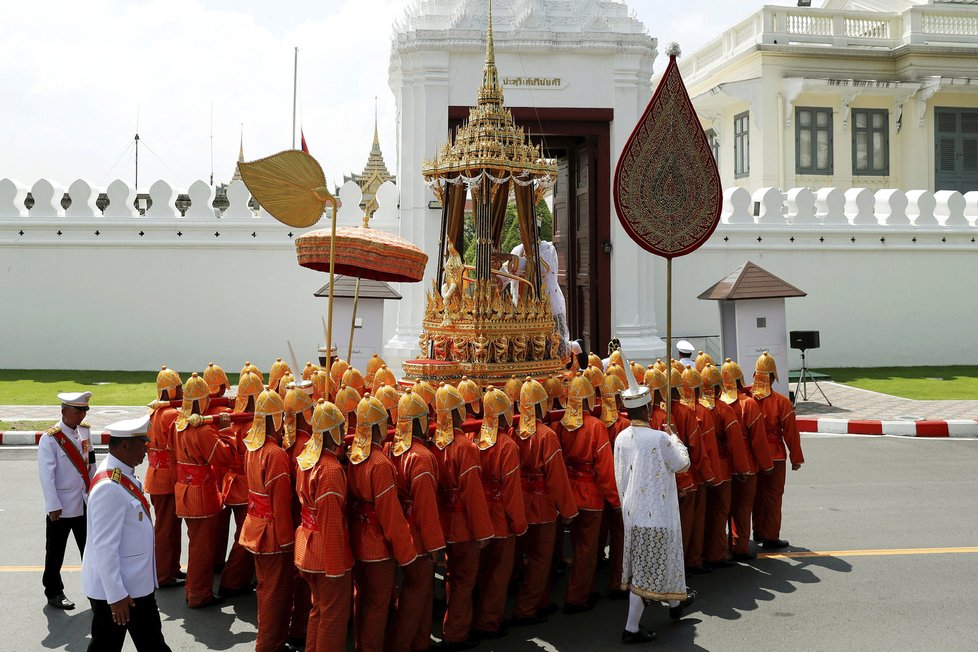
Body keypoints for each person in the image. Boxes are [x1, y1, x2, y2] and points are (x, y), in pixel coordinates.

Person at [613, 354, 695, 645]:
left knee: (664, 560)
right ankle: (631, 628)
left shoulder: (621, 437)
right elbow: (681, 463)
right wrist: (674, 438)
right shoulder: (659, 439)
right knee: (647, 573)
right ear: (648, 408)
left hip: (634, 512)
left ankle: (677, 603)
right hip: (655, 516)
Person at [82, 415, 171, 652]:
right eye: (143, 443)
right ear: (125, 446)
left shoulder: (123, 473)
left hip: (134, 586)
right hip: (121, 592)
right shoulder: (109, 487)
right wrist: (116, 596)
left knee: (151, 644)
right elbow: (104, 547)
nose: (147, 448)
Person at [347, 394, 417, 652]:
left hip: (357, 538)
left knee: (362, 600)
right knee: (377, 605)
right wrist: (406, 553)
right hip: (376, 545)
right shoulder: (380, 463)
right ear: (377, 427)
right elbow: (390, 515)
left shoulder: (353, 455)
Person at [430, 383, 494, 651]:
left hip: (444, 518)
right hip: (462, 524)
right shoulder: (463, 447)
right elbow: (473, 493)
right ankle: (456, 632)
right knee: (464, 579)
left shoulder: (433, 444)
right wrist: (483, 531)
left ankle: (452, 626)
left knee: (453, 578)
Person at [509, 377, 578, 626]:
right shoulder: (546, 435)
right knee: (540, 559)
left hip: (522, 501)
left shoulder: (512, 431)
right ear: (539, 406)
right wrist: (567, 508)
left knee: (530, 557)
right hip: (543, 506)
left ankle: (541, 601)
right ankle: (526, 609)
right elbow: (557, 477)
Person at [554, 374, 621, 614]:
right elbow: (604, 469)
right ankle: (576, 597)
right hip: (591, 495)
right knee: (586, 549)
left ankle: (586, 588)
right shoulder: (596, 426)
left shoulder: (559, 425)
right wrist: (616, 500)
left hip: (570, 494)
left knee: (578, 545)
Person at [386, 388, 445, 652]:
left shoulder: (392, 448)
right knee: (415, 592)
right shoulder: (420, 457)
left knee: (419, 591)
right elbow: (426, 509)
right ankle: (402, 644)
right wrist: (436, 546)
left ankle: (420, 642)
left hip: (405, 527)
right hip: (418, 536)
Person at [239, 388, 299, 652]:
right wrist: (287, 540)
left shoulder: (253, 445)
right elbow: (280, 502)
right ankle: (270, 644)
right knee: (275, 592)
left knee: (265, 589)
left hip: (255, 526)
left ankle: (267, 640)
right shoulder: (274, 453)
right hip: (273, 534)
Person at [295, 399, 353, 652]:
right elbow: (330, 522)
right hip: (325, 554)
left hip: (308, 546)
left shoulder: (307, 459)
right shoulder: (329, 471)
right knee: (333, 616)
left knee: (318, 610)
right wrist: (335, 566)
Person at [172, 372, 233, 608]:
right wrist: (226, 431)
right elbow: (225, 457)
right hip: (201, 495)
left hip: (185, 490)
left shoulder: (178, 424)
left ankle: (193, 590)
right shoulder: (203, 431)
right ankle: (199, 594)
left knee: (195, 544)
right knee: (202, 549)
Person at [471, 387, 527, 639]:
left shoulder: (473, 438)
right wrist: (519, 523)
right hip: (500, 516)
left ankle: (477, 617)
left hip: (479, 514)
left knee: (482, 571)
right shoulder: (507, 446)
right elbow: (512, 490)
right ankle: (489, 622)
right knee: (498, 574)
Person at [39, 391, 94, 610]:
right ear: (64, 411)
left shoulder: (85, 431)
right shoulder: (51, 438)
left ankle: (95, 590)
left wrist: (95, 496)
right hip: (61, 507)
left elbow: (91, 466)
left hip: (83, 502)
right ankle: (53, 592)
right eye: (78, 410)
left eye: (84, 410)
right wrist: (53, 505)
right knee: (55, 552)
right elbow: (46, 475)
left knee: (90, 550)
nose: (82, 415)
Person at [719, 358, 774, 560]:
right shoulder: (748, 404)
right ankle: (740, 546)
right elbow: (758, 440)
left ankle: (723, 546)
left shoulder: (718, 404)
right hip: (747, 464)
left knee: (723, 509)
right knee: (742, 508)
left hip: (724, 465)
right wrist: (766, 465)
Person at [750, 352, 805, 550]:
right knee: (772, 497)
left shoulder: (746, 399)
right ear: (773, 377)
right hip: (775, 457)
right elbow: (791, 432)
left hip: (751, 456)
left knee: (755, 495)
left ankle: (757, 531)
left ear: (755, 374)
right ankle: (770, 536)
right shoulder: (781, 402)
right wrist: (795, 458)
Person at [697, 364, 750, 568]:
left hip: (700, 469)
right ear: (720, 388)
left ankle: (699, 553)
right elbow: (735, 443)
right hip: (721, 467)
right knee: (719, 512)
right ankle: (716, 554)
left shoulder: (695, 409)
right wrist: (742, 468)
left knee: (702, 514)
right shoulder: (723, 409)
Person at [145, 368, 185, 589]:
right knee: (167, 529)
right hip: (167, 479)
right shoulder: (170, 414)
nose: (181, 391)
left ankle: (171, 569)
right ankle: (164, 574)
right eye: (178, 388)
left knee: (168, 527)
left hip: (157, 476)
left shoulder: (155, 412)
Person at [599, 368, 630, 598]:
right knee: (619, 535)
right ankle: (618, 580)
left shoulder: (596, 423)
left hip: (596, 485)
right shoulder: (622, 425)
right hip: (619, 485)